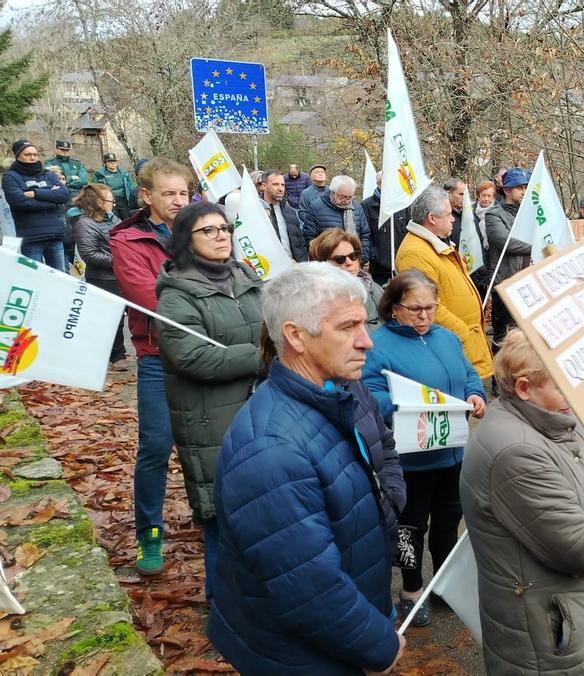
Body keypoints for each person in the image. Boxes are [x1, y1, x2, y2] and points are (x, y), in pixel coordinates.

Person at [208, 262, 406, 674]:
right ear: (296, 336)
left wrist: (389, 502)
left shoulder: (343, 386)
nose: (367, 341)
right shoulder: (270, 450)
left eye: (364, 323)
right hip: (301, 657)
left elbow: (382, 446)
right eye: (347, 327)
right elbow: (311, 592)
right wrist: (380, 645)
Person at [460, 329, 584, 674]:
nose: (576, 389)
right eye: (562, 382)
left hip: (569, 614)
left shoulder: (557, 417)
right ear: (524, 388)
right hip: (545, 634)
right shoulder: (515, 451)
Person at [362, 269, 486, 626]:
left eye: (430, 307)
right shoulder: (378, 345)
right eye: (415, 309)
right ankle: (412, 590)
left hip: (451, 453)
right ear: (394, 307)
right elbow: (370, 396)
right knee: (410, 527)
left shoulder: (446, 337)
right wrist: (409, 405)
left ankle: (444, 585)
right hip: (410, 460)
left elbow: (468, 373)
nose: (424, 316)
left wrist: (474, 394)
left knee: (448, 523)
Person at [155, 201, 264, 598]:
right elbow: (192, 357)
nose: (223, 236)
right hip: (211, 422)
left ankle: (258, 604)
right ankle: (224, 610)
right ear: (187, 239)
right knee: (224, 519)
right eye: (210, 231)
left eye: (226, 228)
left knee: (262, 509)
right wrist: (261, 357)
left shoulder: (245, 275)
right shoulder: (176, 296)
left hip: (258, 410)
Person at [111, 157, 191, 575]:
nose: (179, 201)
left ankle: (212, 514)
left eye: (184, 193)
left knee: (213, 444)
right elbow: (150, 297)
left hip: (207, 354)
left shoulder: (205, 226)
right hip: (159, 357)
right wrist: (202, 302)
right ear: (147, 195)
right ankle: (149, 532)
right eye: (170, 194)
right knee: (157, 447)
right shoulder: (128, 240)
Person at [395, 186, 494, 379]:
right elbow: (428, 308)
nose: (453, 219)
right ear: (432, 218)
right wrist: (464, 334)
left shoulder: (432, 245)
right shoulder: (415, 253)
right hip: (452, 352)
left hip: (461, 350)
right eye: (448, 214)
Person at [73, 183, 128, 367]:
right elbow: (90, 255)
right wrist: (120, 260)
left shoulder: (111, 218)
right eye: (110, 200)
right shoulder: (84, 224)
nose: (113, 202)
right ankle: (117, 356)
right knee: (113, 319)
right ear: (98, 202)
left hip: (121, 275)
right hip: (103, 279)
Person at [3, 140, 70, 271]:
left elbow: (63, 195)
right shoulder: (10, 177)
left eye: (35, 154)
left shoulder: (48, 174)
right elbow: (19, 202)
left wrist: (34, 193)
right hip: (31, 237)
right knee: (35, 279)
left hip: (54, 234)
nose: (32, 157)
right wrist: (51, 197)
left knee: (60, 277)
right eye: (27, 154)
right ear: (17, 156)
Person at [484, 167, 532, 346]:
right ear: (506, 190)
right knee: (504, 339)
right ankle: (499, 373)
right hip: (506, 285)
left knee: (527, 338)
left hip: (529, 284)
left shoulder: (530, 214)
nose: (524, 191)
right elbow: (507, 243)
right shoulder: (493, 214)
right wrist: (536, 246)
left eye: (526, 187)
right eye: (519, 187)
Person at [309, 229, 384, 329]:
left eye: (353, 256)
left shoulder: (374, 288)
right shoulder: (316, 300)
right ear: (323, 264)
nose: (349, 262)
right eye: (339, 259)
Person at [299, 174, 373, 261]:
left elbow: (365, 235)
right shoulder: (316, 208)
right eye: (344, 197)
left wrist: (361, 259)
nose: (348, 201)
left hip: (354, 261)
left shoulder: (357, 207)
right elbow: (310, 238)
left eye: (351, 197)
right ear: (333, 193)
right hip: (327, 264)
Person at [362, 171, 405, 286]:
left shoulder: (403, 203)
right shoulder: (367, 205)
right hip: (379, 267)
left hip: (402, 264)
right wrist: (373, 254)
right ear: (378, 183)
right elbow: (365, 233)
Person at [260, 170, 307, 261]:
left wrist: (302, 262)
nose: (280, 189)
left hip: (293, 266)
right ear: (264, 186)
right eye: (275, 184)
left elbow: (300, 242)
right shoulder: (256, 211)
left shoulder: (290, 212)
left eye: (283, 185)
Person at [93, 152, 139, 220]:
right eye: (110, 161)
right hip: (109, 201)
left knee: (127, 220)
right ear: (106, 163)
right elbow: (95, 189)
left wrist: (136, 195)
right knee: (113, 221)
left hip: (124, 201)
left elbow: (131, 185)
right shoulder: (100, 175)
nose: (113, 163)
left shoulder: (123, 173)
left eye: (114, 161)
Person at [444, 177, 466, 246]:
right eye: (461, 194)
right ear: (448, 194)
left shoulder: (469, 213)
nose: (464, 197)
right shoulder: (441, 217)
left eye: (465, 194)